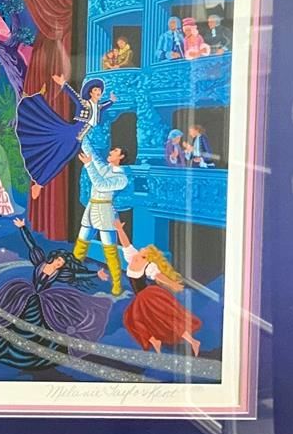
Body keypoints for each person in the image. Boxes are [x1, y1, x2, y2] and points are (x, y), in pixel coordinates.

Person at [0, 217, 110, 371]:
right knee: (12, 314)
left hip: (42, 300)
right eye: (58, 260)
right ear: (54, 258)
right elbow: (31, 245)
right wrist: (23, 228)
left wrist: (96, 274)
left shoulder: (61, 273)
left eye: (62, 263)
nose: (59, 264)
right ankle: (4, 346)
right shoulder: (40, 261)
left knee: (44, 322)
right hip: (26, 293)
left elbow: (77, 275)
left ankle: (41, 351)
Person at [16, 75, 116, 202]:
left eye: (100, 90)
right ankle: (39, 184)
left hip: (77, 140)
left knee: (61, 161)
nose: (98, 92)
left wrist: (112, 101)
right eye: (96, 90)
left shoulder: (98, 108)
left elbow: (105, 106)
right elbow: (74, 96)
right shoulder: (84, 104)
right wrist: (63, 83)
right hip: (70, 135)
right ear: (90, 93)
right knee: (57, 158)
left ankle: (39, 183)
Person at [114, 219, 202, 356]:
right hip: (141, 298)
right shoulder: (132, 257)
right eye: (140, 252)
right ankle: (154, 340)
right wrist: (120, 229)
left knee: (165, 318)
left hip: (149, 296)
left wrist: (172, 283)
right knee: (133, 320)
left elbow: (159, 276)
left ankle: (193, 341)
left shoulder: (149, 266)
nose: (139, 254)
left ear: (147, 259)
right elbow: (126, 244)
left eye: (143, 255)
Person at [73, 142, 131, 295]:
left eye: (115, 150)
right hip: (91, 209)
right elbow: (92, 154)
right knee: (80, 245)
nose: (111, 151)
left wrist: (88, 165)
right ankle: (72, 274)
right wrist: (83, 135)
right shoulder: (105, 168)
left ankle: (117, 284)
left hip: (105, 213)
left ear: (121, 157)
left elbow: (101, 185)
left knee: (110, 250)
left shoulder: (121, 178)